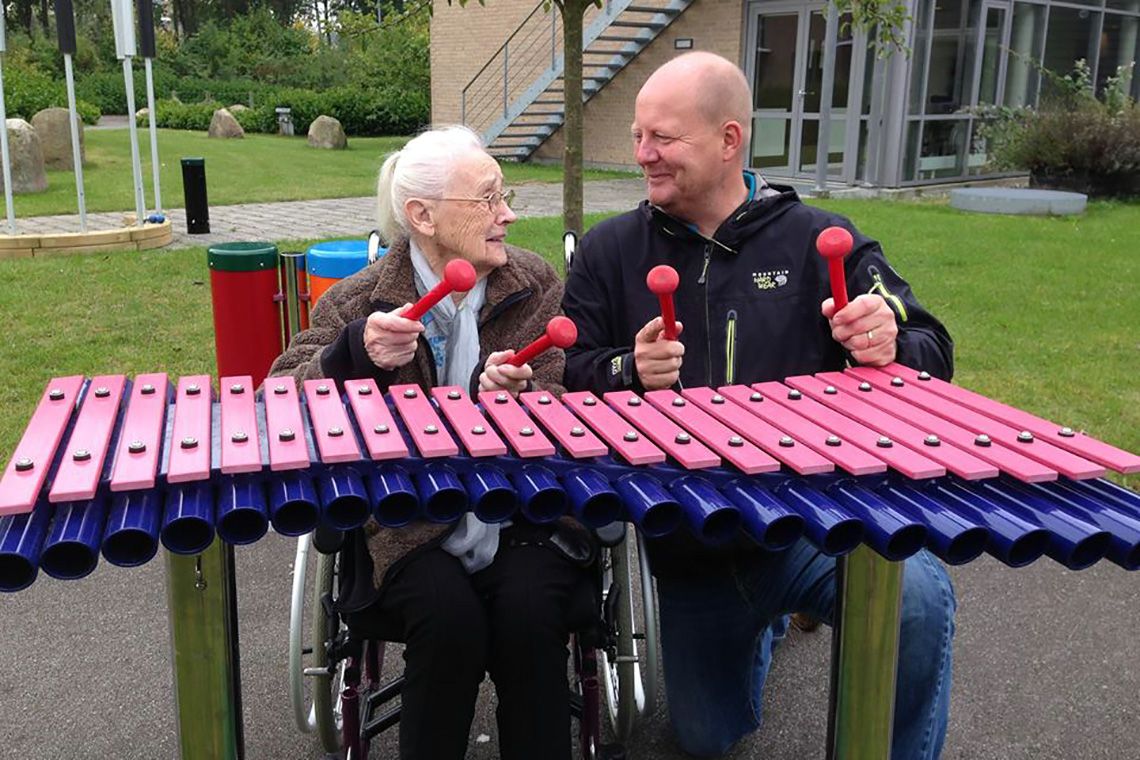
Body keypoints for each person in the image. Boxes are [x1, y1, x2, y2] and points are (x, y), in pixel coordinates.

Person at [561, 52, 956, 759]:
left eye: (665, 138)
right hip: (690, 540)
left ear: (730, 141)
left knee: (916, 601)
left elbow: (933, 348)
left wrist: (889, 343)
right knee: (706, 739)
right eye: (638, 137)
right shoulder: (607, 252)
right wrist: (628, 369)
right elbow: (575, 372)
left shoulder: (817, 241)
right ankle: (766, 624)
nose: (644, 155)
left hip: (815, 519)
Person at [269, 125, 596, 760]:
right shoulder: (358, 301)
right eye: (488, 198)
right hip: (407, 520)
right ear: (421, 215)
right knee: (449, 624)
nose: (508, 213)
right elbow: (280, 402)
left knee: (531, 616)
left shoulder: (532, 282)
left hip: (520, 511)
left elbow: (562, 401)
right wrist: (350, 354)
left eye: (505, 194)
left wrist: (520, 400)